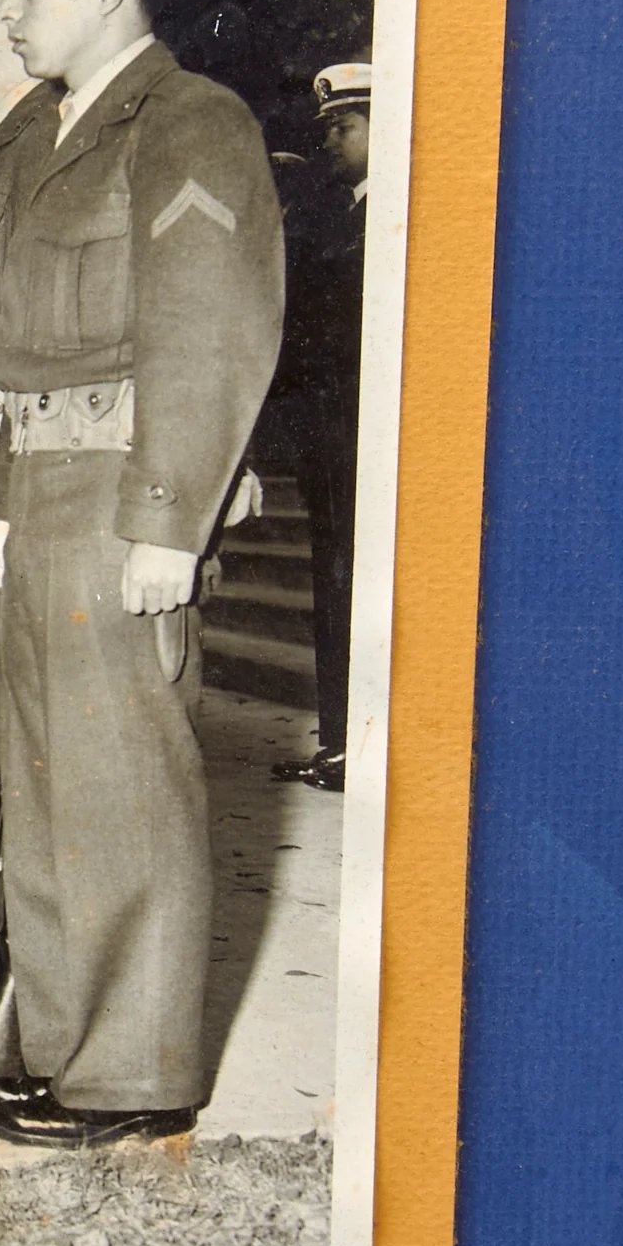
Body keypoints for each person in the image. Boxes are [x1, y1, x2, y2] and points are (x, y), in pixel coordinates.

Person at [0, 0, 285, 1147]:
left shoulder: (190, 121)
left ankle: (134, 1068)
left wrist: (167, 517)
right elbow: (11, 345)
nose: (14, 7)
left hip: (114, 497)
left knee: (120, 787)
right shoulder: (54, 132)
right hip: (42, 494)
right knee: (48, 787)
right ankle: (63, 1042)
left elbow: (209, 327)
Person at [270, 61, 369, 794]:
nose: (332, 138)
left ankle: (354, 747)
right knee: (333, 586)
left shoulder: (384, 223)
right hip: (329, 441)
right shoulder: (341, 217)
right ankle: (339, 745)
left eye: (346, 124)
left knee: (352, 589)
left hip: (359, 439)